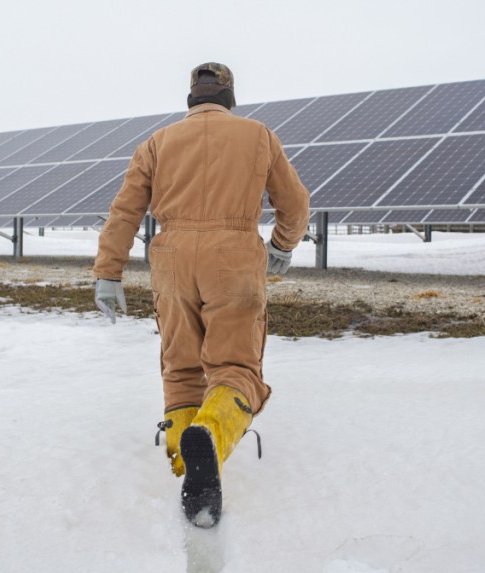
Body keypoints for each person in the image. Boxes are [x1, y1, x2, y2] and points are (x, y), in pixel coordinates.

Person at [93, 62, 310, 527]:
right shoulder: (258, 136)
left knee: (182, 365)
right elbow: (294, 203)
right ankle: (209, 436)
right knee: (235, 366)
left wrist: (108, 272)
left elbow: (124, 211)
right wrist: (282, 246)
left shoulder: (157, 142)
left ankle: (183, 459)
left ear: (191, 97)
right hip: (233, 256)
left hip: (171, 259)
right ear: (229, 96)